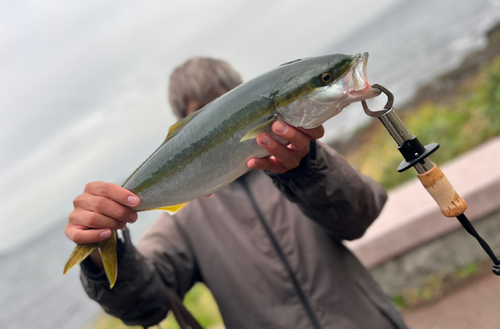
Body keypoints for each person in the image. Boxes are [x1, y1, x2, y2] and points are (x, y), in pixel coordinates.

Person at [66, 57, 408, 328]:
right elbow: (146, 306)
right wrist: (100, 249)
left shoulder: (306, 162)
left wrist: (306, 170)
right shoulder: (186, 221)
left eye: (232, 101)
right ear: (191, 127)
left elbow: (362, 215)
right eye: (210, 111)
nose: (233, 118)